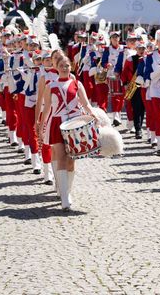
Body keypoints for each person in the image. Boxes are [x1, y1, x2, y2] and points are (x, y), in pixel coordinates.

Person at [40, 57, 98, 211]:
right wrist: (41, 126)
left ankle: (67, 191)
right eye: (61, 65)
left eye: (67, 65)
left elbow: (85, 103)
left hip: (74, 123)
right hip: (57, 123)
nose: (64, 68)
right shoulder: (50, 85)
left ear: (71, 67)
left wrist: (93, 114)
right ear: (56, 67)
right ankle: (64, 197)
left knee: (71, 160)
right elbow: (47, 109)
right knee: (61, 157)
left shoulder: (77, 84)